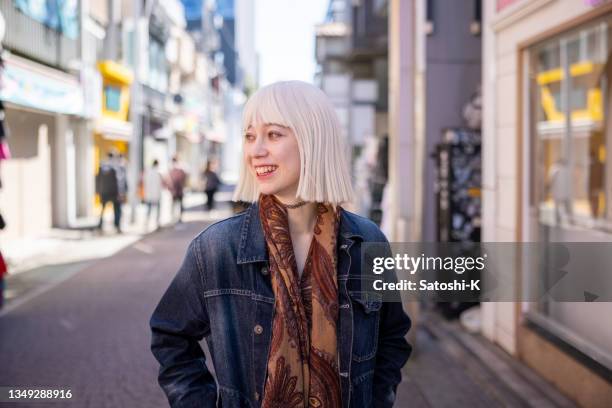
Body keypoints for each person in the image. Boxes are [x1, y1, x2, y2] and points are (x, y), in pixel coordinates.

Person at [150, 81, 412, 407]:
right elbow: (171, 335)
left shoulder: (368, 242)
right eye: (249, 136)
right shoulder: (216, 249)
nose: (256, 150)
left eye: (273, 134)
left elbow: (391, 338)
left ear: (313, 139)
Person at [96, 152, 122, 233]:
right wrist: (120, 192)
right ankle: (117, 226)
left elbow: (98, 179)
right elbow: (118, 181)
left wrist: (98, 191)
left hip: (104, 191)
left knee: (102, 209)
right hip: (113, 192)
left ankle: (100, 224)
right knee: (117, 209)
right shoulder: (116, 167)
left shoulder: (102, 166)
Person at [143, 159, 163, 230]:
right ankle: (157, 223)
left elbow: (145, 183)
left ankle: (147, 224)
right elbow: (160, 184)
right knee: (157, 210)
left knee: (149, 210)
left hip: (149, 194)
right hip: (156, 194)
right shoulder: (159, 173)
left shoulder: (148, 172)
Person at [167, 156, 187, 223]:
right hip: (177, 191)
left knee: (175, 205)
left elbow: (168, 181)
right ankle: (178, 217)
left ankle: (176, 217)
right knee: (178, 205)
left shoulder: (172, 171)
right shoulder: (179, 170)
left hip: (176, 191)